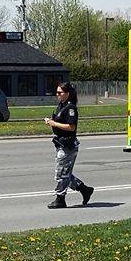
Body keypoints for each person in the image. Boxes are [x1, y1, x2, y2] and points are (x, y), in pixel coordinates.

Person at [44, 81, 95, 209]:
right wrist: (51, 121)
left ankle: (60, 199)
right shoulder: (61, 105)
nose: (57, 95)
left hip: (68, 145)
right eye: (56, 92)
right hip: (60, 143)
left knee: (61, 174)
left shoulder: (70, 108)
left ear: (67, 93)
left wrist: (54, 124)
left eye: (60, 92)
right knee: (64, 173)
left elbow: (71, 127)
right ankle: (85, 190)